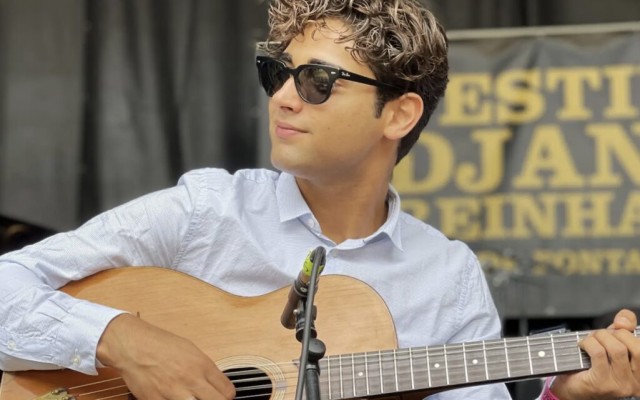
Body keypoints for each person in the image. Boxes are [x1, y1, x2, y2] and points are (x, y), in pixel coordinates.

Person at [0, 0, 639, 399]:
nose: (283, 97)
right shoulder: (206, 212)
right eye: (278, 73)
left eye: (317, 81)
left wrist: (563, 398)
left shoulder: (447, 275)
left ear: (399, 114)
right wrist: (124, 340)